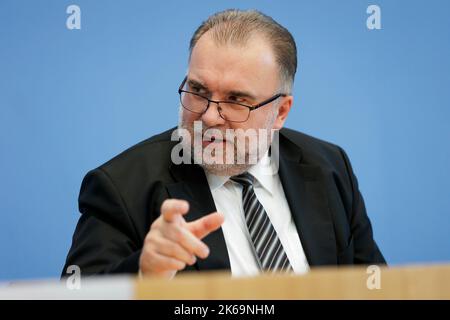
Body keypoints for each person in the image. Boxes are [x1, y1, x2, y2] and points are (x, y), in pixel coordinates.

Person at [62, 9, 385, 279]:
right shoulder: (122, 187)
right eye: (198, 91)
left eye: (236, 100)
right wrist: (144, 272)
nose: (209, 117)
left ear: (280, 112)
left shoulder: (329, 166)